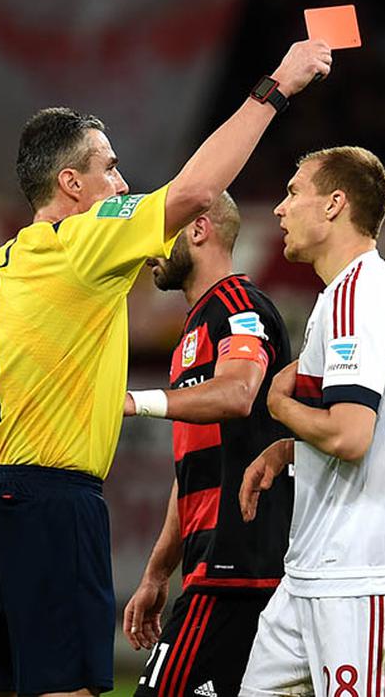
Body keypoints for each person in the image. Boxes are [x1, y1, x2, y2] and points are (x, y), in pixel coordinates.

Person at [0, 39, 332, 696]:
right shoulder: (84, 238)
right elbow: (196, 191)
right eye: (110, 170)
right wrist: (278, 84)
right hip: (49, 501)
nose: (121, 185)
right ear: (71, 185)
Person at [236, 146, 385, 697]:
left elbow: (352, 436)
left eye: (293, 192)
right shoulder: (354, 294)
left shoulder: (359, 295)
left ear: (334, 204)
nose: (280, 208)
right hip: (316, 572)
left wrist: (277, 409)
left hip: (366, 577)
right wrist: (286, 450)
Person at [119, 192, 295, 697]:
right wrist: (157, 572)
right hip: (210, 567)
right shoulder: (194, 329)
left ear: (199, 230)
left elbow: (240, 393)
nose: (150, 246)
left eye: (164, 227)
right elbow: (194, 469)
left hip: (238, 567)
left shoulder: (240, 307)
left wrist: (134, 402)